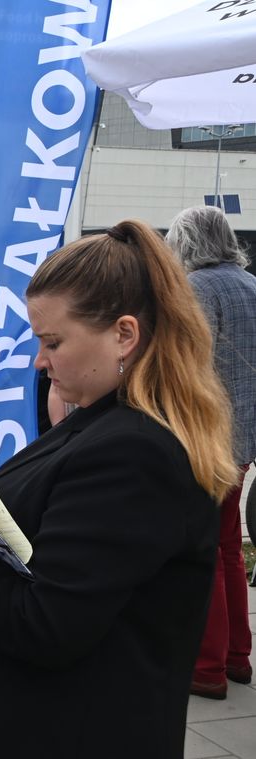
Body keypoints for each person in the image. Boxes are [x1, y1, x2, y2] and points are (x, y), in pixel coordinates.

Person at [0, 220, 234, 758]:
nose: (40, 361)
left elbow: (45, 625)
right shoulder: (110, 421)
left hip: (58, 729)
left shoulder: (135, 450)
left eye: (53, 342)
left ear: (124, 335)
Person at [166, 205, 256, 697]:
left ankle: (207, 667)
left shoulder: (197, 289)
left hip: (210, 436)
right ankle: (237, 657)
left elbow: (186, 365)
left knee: (206, 549)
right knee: (227, 545)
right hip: (244, 437)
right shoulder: (251, 284)